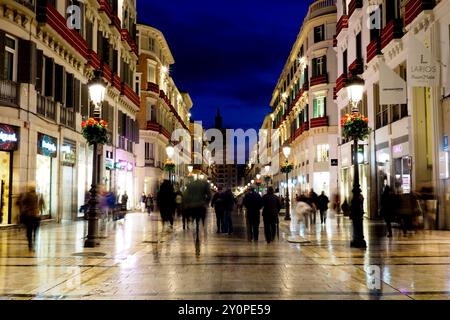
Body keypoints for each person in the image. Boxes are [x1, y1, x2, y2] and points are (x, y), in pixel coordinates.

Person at [17, 186, 42, 251]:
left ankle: (30, 244)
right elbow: (37, 205)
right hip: (35, 216)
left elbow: (22, 203)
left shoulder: (27, 195)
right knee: (35, 230)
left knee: (29, 230)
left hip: (29, 216)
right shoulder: (36, 196)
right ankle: (33, 241)